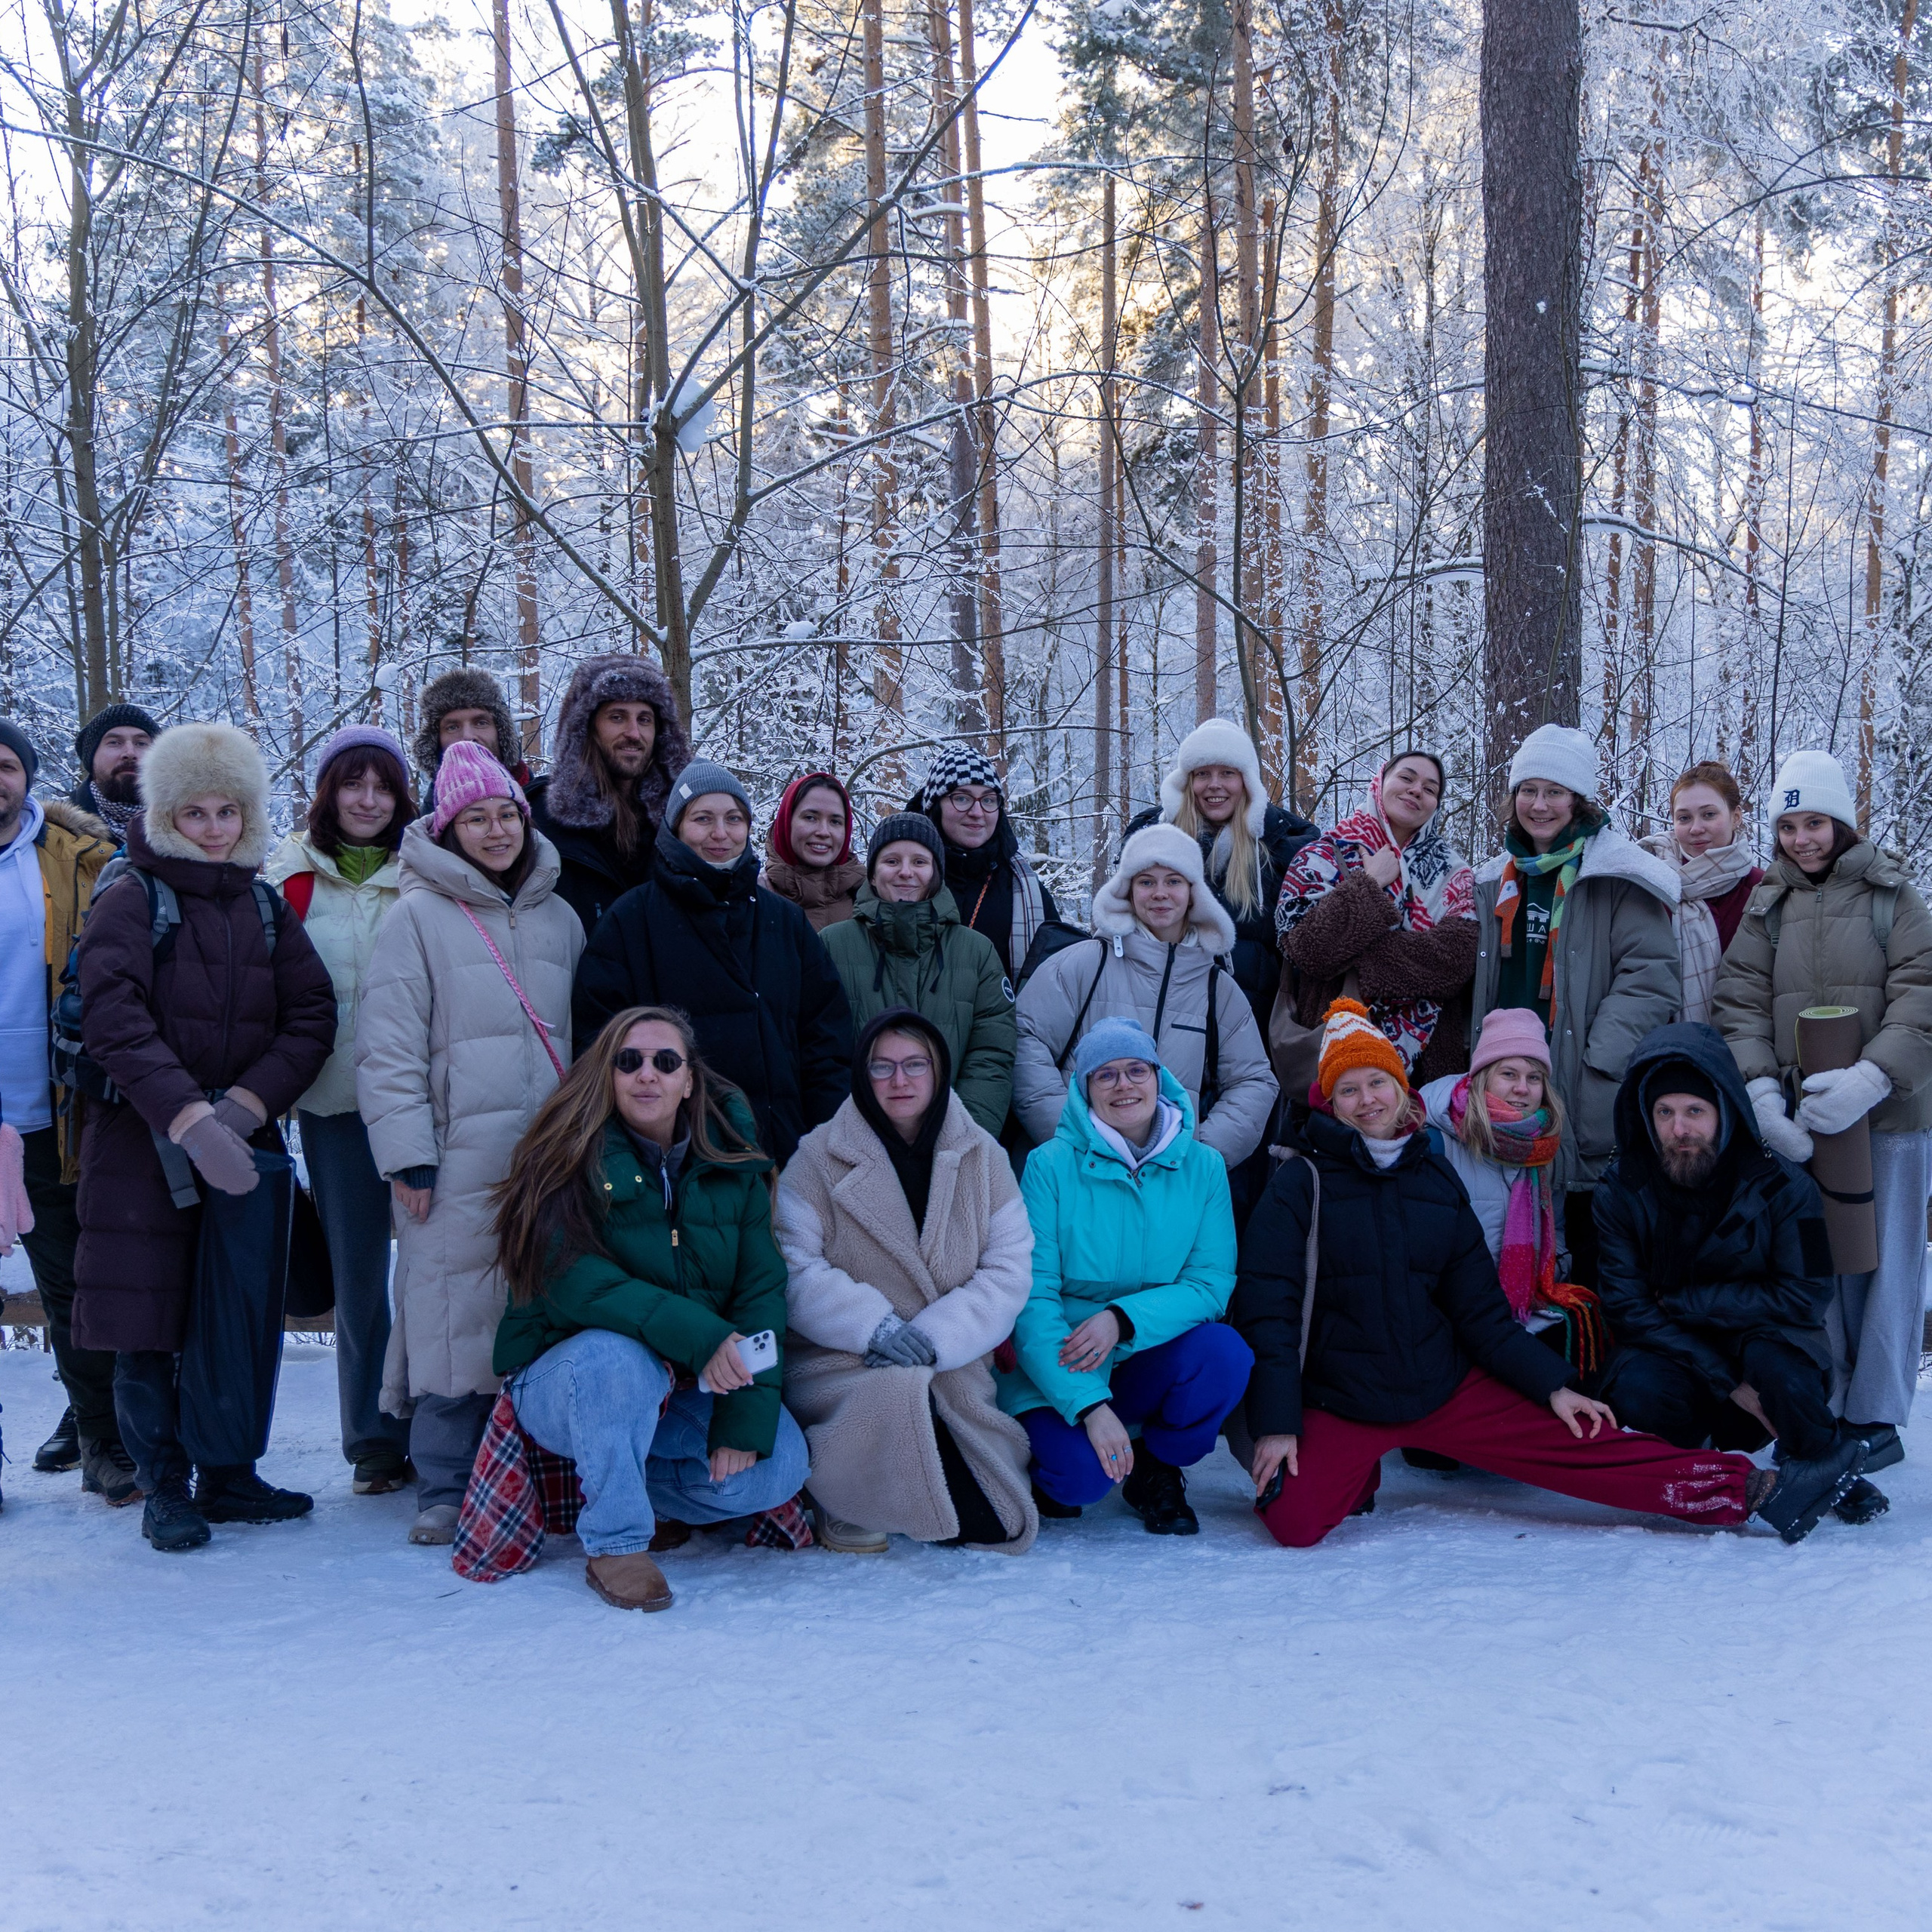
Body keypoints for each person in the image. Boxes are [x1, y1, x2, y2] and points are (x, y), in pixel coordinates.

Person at [1232, 998, 1854, 1547]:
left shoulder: (1432, 1177)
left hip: (1441, 1385)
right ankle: (1356, 1467)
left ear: (1401, 1088)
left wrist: (1553, 1385)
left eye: (1379, 1082)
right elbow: (1271, 1315)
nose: (1367, 1099)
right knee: (1295, 1521)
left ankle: (1760, 1491)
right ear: (1330, 1102)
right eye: (1350, 1089)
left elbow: (1478, 1309)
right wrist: (1279, 1423)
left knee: (1589, 1442)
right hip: (1345, 1398)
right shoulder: (1299, 1185)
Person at [70, 723, 337, 1552]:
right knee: (149, 1317)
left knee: (236, 1310)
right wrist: (186, 1114)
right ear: (165, 814)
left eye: (230, 811)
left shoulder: (260, 904)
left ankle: (228, 1472)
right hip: (139, 1146)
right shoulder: (131, 895)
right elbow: (111, 1017)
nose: (215, 827)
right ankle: (165, 1485)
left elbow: (312, 1013)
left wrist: (248, 1107)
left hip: (240, 1136)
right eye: (196, 812)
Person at [491, 1005, 809, 1611]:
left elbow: (761, 1291)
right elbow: (574, 1283)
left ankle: (638, 1493)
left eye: (666, 1062)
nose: (647, 1075)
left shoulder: (732, 1167)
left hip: (680, 1384)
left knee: (780, 1465)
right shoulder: (565, 1157)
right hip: (570, 1380)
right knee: (618, 1359)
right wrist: (701, 1336)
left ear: (689, 1080)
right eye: (629, 1061)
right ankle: (616, 1544)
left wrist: (742, 1408)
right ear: (607, 1074)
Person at [357, 741, 583, 1546]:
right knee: (453, 1313)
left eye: (505, 815)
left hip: (547, 1154)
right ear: (449, 829)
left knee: (535, 1305)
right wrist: (407, 1154)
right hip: (453, 1154)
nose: (495, 831)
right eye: (475, 817)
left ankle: (533, 1472)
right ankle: (446, 1484)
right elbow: (386, 1048)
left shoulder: (560, 915)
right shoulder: (415, 917)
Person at [1712, 748, 1932, 1470]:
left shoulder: (1891, 896)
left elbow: (1922, 991)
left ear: (1841, 822)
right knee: (1816, 1269)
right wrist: (1762, 1092)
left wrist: (1874, 1077)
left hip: (1889, 1118)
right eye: (1789, 825)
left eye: (1815, 822)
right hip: (1801, 1123)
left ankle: (1876, 1418)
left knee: (1885, 1267)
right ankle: (1824, 1408)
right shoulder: (1766, 907)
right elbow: (1739, 1001)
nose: (1802, 838)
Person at [1593, 1023, 1878, 1530]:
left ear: (1724, 1110)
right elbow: (1628, 1307)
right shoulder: (1620, 1190)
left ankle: (1824, 1459)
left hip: (1764, 1338)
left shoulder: (1791, 1185)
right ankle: (1696, 1454)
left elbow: (1810, 1294)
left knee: (1785, 1373)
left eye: (1694, 1111)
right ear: (1646, 1115)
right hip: (1672, 1350)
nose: (1679, 1128)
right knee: (1635, 1389)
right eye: (1665, 1113)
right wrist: (1726, 1381)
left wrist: (1685, 1302)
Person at [777, 1009, 1037, 1552]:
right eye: (882, 1067)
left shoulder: (983, 1156)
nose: (900, 1081)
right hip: (846, 1358)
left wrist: (936, 1339)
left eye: (915, 1064)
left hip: (951, 1361)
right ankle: (843, 1498)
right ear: (861, 1074)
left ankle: (878, 1496)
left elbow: (1009, 1268)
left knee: (992, 1520)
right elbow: (794, 1265)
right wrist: (873, 1327)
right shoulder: (818, 1157)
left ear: (939, 1071)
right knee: (893, 1399)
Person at [1004, 1017, 1251, 1534]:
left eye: (1137, 1070)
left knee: (1224, 1354)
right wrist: (1090, 1406)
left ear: (1159, 1078)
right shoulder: (1049, 1166)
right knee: (1078, 1483)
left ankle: (1156, 1465)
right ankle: (1064, 1454)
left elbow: (1210, 1284)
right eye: (1106, 1075)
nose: (1124, 1085)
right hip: (1064, 1360)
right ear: (1084, 1090)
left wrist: (1121, 1318)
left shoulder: (1203, 1167)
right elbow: (1032, 1297)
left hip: (1146, 1350)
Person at [1469, 723, 1680, 1285]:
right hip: (1506, 1081)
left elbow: (1651, 976)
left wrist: (1596, 1059)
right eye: (1528, 790)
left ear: (1578, 800)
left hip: (1582, 1081)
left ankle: (1581, 1363)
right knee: (1502, 1225)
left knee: (1583, 1242)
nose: (1539, 805)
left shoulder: (1616, 877)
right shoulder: (1493, 880)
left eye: (1555, 792)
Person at [265, 725, 416, 1494]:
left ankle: (444, 1418)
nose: (367, 800)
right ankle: (375, 1439)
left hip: (423, 1104)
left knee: (433, 1270)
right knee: (360, 1277)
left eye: (382, 785)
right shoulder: (289, 881)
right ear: (328, 792)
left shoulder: (424, 872)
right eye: (352, 784)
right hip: (333, 1106)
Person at [572, 760, 852, 1167]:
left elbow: (828, 1040)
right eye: (703, 819)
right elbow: (599, 1045)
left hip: (783, 1151)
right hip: (678, 1155)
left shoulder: (783, 921)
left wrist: (823, 1139)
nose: (721, 834)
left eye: (733, 819)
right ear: (677, 827)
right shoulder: (632, 920)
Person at [0, 720, 128, 1497]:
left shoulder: (77, 861)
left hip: (48, 1114)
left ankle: (100, 1437)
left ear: (28, 777)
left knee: (73, 1284)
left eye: (6, 764)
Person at [1014, 823, 1277, 1168]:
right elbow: (1025, 1038)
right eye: (1146, 882)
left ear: (1193, 892)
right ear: (1128, 889)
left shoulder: (1218, 988)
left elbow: (1253, 1080)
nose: (1160, 893)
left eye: (1173, 881)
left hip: (1173, 1186)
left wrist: (1200, 1157)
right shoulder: (1085, 963)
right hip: (1080, 1172)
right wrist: (1071, 1137)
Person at [1419, 1005, 1607, 1376]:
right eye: (1509, 1074)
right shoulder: (1435, 1142)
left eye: (1534, 1077)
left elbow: (1556, 1232)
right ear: (1483, 1077)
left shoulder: (1542, 1145)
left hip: (1517, 1316)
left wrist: (1552, 1276)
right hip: (1449, 1321)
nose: (1523, 1089)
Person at [1277, 749, 1478, 1086]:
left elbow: (1455, 962)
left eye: (1431, 789)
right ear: (1381, 781)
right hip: (1338, 1047)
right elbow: (1305, 947)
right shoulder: (1321, 855)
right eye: (1407, 778)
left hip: (1429, 1067)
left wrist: (1356, 957)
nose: (1417, 790)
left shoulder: (1453, 873)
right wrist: (1370, 885)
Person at [820, 814, 1016, 1136]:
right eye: (892, 861)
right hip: (853, 1139)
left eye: (920, 861)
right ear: (872, 873)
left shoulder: (977, 953)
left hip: (952, 1142)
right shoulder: (832, 944)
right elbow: (820, 1052)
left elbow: (991, 1057)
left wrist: (962, 1137)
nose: (906, 872)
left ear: (936, 872)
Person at [1125, 717, 1315, 1033]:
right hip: (1163, 1022)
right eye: (1203, 774)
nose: (1215, 784)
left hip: (1256, 1028)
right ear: (1188, 781)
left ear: (1247, 780)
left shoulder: (1288, 845)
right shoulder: (1151, 838)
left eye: (1227, 773)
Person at [525, 653, 691, 937]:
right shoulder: (540, 818)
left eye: (645, 719)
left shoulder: (682, 821)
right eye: (617, 717)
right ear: (586, 728)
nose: (633, 733)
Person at [911, 748, 1061, 983]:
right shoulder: (900, 875)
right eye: (962, 798)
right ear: (934, 805)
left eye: (989, 800)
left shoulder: (1025, 889)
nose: (977, 812)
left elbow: (1059, 972)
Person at [1644, 761, 1764, 1026]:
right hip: (1663, 1049)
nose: (1696, 828)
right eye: (1684, 818)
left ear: (1736, 816)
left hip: (1748, 1045)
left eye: (1709, 814)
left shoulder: (1762, 890)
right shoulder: (1651, 887)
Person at [761, 770, 864, 931]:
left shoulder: (871, 900)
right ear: (786, 822)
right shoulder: (753, 899)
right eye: (810, 818)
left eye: (835, 821)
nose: (823, 832)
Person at [409, 666, 531, 796]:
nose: (467, 736)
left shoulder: (547, 808)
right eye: (452, 727)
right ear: (435, 742)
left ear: (502, 733)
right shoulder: (429, 815)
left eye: (481, 723)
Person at [68, 703, 159, 847]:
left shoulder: (189, 826)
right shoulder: (58, 834)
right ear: (91, 758)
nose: (130, 753)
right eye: (115, 742)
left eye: (141, 743)